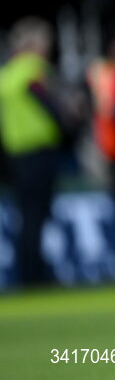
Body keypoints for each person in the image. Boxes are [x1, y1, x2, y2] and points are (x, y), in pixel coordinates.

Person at [0, 18, 64, 285]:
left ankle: (27, 272)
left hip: (14, 154)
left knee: (26, 216)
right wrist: (65, 123)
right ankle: (36, 275)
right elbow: (45, 102)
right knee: (36, 216)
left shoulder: (6, 74)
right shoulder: (32, 70)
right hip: (37, 153)